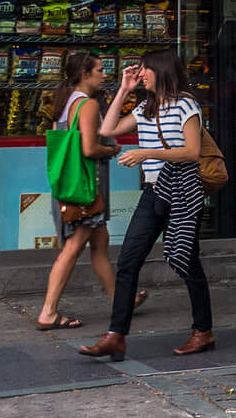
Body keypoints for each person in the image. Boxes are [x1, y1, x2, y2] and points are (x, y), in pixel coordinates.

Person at [79, 50, 212, 360]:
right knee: (128, 260)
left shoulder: (186, 105)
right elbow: (107, 129)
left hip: (181, 192)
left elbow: (192, 152)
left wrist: (146, 154)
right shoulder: (145, 107)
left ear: (162, 71)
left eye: (145, 70)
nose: (141, 75)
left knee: (188, 262)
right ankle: (116, 335)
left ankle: (203, 331)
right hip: (153, 193)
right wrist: (124, 89)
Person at [35, 52, 129, 331]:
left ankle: (120, 301)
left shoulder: (64, 103)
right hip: (86, 187)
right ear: (84, 74)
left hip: (69, 184)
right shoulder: (87, 105)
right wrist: (112, 149)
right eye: (100, 70)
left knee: (100, 242)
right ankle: (48, 312)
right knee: (74, 247)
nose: (104, 74)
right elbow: (89, 148)